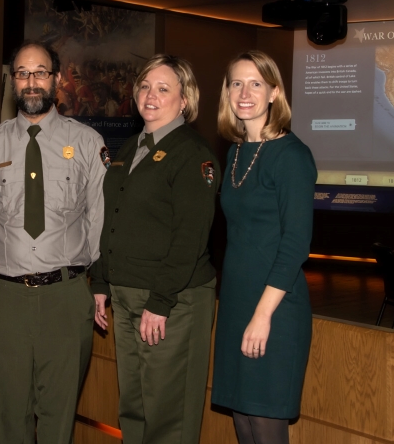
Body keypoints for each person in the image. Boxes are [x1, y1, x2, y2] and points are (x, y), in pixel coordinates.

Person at [0, 40, 107, 443]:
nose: (31, 82)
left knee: (58, 417)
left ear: (57, 78)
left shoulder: (85, 142)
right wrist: (7, 259)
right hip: (4, 300)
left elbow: (98, 217)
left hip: (64, 298)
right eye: (23, 73)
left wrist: (94, 282)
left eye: (40, 72)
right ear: (13, 81)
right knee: (8, 418)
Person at [90, 54, 220, 444]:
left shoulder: (192, 154)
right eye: (145, 86)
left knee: (168, 417)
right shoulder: (131, 147)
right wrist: (101, 281)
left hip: (171, 302)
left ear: (185, 100)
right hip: (127, 295)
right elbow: (111, 216)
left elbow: (190, 236)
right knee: (134, 408)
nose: (150, 95)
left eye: (163, 89)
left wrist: (161, 301)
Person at [211, 51, 316, 444]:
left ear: (274, 92)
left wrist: (262, 315)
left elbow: (295, 244)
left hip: (274, 307)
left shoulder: (291, 156)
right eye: (236, 82)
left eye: (256, 83)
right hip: (238, 300)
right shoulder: (236, 152)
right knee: (242, 418)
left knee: (266, 423)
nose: (245, 92)